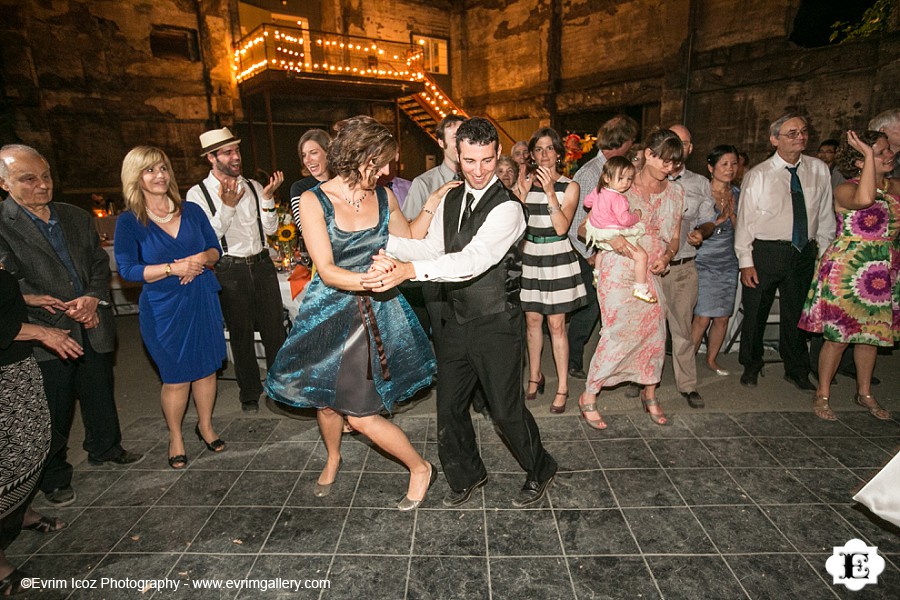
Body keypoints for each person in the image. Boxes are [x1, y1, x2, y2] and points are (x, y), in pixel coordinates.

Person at [370, 117, 558, 509]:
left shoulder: (509, 209)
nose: (478, 170)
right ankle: (468, 474)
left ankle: (541, 467)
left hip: (495, 323)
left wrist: (408, 272)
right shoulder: (451, 198)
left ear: (497, 155)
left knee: (505, 411)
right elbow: (432, 248)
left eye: (487, 161)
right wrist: (386, 247)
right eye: (470, 160)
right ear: (457, 155)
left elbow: (472, 261)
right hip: (453, 321)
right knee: (449, 408)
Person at [265, 116, 439, 511]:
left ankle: (419, 467)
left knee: (359, 415)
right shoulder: (314, 199)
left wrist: (432, 201)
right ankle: (333, 457)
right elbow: (325, 269)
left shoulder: (384, 196)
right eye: (382, 162)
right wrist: (375, 279)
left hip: (374, 316)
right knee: (325, 400)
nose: (388, 171)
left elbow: (410, 236)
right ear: (361, 156)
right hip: (328, 310)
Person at [0, 144, 142, 509]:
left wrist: (92, 298)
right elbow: (10, 282)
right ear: (4, 182)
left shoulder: (75, 216)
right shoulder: (3, 226)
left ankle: (105, 448)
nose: (42, 185)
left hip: (90, 318)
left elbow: (98, 263)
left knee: (98, 391)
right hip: (43, 331)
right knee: (53, 408)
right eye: (28, 179)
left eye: (45, 177)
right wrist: (61, 308)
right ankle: (54, 477)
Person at [115, 146, 227, 469]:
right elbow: (128, 270)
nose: (160, 175)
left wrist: (199, 260)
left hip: (202, 298)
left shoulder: (191, 211)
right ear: (135, 177)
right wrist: (171, 268)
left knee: (206, 368)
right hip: (164, 307)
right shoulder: (130, 222)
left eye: (163, 168)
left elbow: (214, 251)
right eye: (150, 170)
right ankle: (175, 435)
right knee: (176, 376)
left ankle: (205, 426)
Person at [579, 129, 685, 429]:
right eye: (665, 160)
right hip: (617, 269)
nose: (670, 168)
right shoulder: (621, 184)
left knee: (654, 333)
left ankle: (650, 392)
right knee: (616, 332)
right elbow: (583, 229)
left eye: (675, 163)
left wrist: (668, 256)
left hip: (650, 271)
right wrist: (611, 241)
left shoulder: (677, 193)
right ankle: (589, 395)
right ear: (648, 154)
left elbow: (674, 237)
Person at [799, 130, 898, 421]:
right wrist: (869, 157)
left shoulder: (896, 186)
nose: (889, 154)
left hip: (881, 269)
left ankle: (864, 393)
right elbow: (866, 198)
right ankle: (823, 394)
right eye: (880, 152)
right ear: (859, 161)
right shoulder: (845, 189)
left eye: (887, 149)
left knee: (871, 337)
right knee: (839, 338)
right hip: (848, 269)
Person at [186, 127, 285, 413]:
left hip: (262, 264)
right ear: (211, 158)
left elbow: (271, 230)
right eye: (228, 152)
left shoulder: (253, 185)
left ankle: (279, 390)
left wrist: (267, 199)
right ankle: (250, 393)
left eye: (237, 151)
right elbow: (207, 239)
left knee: (274, 331)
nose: (235, 157)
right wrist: (227, 207)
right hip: (230, 269)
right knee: (241, 335)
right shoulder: (198, 194)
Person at [734, 114, 836, 390]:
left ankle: (796, 368)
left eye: (803, 131)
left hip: (803, 251)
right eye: (791, 133)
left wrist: (823, 253)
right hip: (766, 252)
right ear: (774, 139)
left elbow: (825, 215)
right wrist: (745, 261)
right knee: (756, 311)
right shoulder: (759, 175)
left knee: (798, 313)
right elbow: (745, 223)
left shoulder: (818, 170)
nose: (800, 137)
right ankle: (751, 365)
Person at [1, 267, 82, 595]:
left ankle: (19, 513)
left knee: (31, 448)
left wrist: (25, 299)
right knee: (5, 461)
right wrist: (38, 332)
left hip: (17, 368)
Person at [517, 127, 587, 413]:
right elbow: (516, 225)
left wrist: (548, 192)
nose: (544, 154)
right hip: (531, 256)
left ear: (559, 154)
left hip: (557, 256)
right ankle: (534, 376)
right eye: (538, 149)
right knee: (532, 321)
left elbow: (561, 228)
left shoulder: (569, 186)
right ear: (532, 155)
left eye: (549, 148)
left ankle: (562, 386)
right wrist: (520, 197)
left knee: (556, 325)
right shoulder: (525, 182)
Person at [567, 115, 640, 380]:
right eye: (630, 141)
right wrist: (589, 255)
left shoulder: (619, 168)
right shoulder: (591, 172)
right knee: (589, 309)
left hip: (615, 253)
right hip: (593, 256)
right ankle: (573, 360)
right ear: (622, 141)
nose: (632, 146)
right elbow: (577, 223)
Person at [662, 125, 716, 409]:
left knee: (682, 329)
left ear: (690, 148)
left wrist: (702, 232)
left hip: (683, 266)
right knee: (648, 327)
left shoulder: (699, 183)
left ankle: (687, 386)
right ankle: (639, 380)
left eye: (683, 143)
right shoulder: (648, 181)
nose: (677, 148)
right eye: (671, 141)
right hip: (651, 268)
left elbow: (708, 219)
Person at [691, 145, 740, 376]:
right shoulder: (702, 192)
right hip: (704, 258)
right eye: (724, 164)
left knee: (722, 315)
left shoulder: (738, 194)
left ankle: (712, 359)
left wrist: (731, 216)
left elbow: (743, 230)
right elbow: (692, 226)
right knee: (702, 315)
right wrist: (717, 221)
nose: (730, 169)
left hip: (728, 260)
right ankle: (687, 361)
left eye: (734, 164)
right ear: (711, 168)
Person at [583, 156, 654, 303]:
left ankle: (597, 274)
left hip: (597, 230)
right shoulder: (619, 199)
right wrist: (637, 216)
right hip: (613, 231)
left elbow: (586, 202)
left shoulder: (598, 191)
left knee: (602, 250)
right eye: (621, 178)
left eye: (629, 179)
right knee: (641, 256)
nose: (625, 183)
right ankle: (641, 287)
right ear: (607, 178)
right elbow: (624, 220)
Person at [289, 129, 332, 228]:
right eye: (304, 155)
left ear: (328, 153)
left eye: (313, 153)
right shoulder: (300, 188)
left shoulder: (343, 182)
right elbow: (306, 230)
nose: (307, 160)